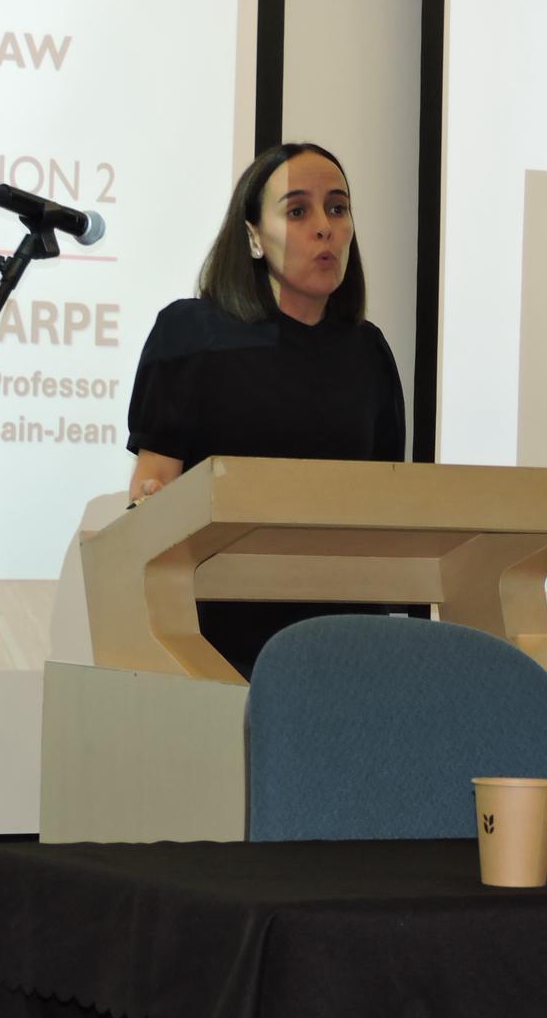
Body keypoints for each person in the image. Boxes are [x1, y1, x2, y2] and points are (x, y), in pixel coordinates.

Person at [125, 142, 406, 677]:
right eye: (297, 211)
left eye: (337, 208)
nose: (324, 228)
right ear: (253, 236)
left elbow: (389, 504)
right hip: (216, 639)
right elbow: (154, 484)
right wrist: (151, 502)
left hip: (348, 638)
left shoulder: (368, 351)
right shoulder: (191, 333)